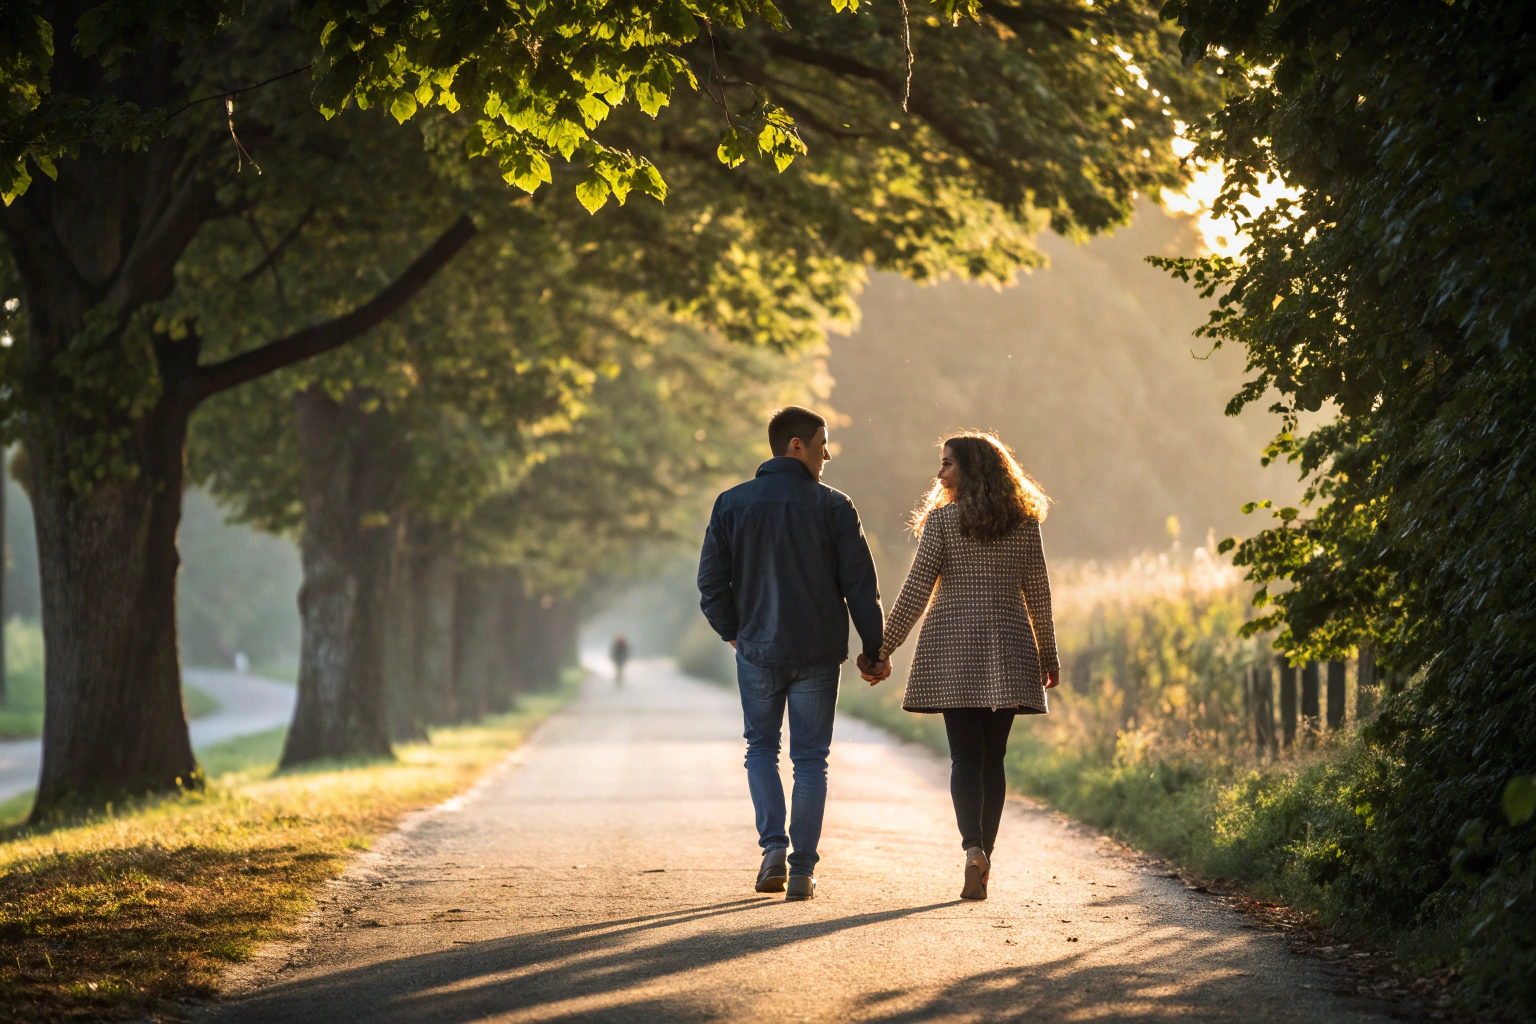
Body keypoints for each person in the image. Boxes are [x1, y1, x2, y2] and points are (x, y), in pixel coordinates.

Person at [697, 406, 886, 902]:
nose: (828, 454)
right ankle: (802, 870)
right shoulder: (835, 507)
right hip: (819, 652)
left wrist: (734, 631)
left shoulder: (731, 504)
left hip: (757, 649)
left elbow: (711, 583)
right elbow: (860, 587)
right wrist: (873, 648)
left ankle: (773, 850)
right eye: (823, 443)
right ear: (796, 445)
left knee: (760, 747)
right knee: (810, 759)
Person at [872, 432, 1058, 901]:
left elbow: (915, 591)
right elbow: (1038, 594)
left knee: (964, 757)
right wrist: (1048, 654)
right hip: (1009, 648)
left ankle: (972, 849)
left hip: (952, 648)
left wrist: (882, 649)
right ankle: (985, 856)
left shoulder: (941, 522)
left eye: (948, 463)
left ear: (971, 469)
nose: (940, 473)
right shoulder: (1025, 525)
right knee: (993, 759)